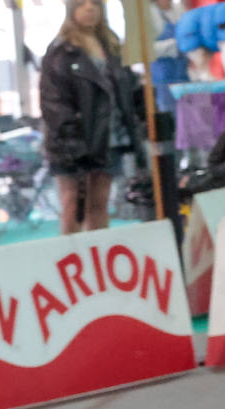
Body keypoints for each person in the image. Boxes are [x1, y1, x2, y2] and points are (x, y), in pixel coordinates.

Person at [40, 0, 139, 235]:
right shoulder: (61, 51)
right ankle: (69, 258)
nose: (89, 8)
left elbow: (127, 90)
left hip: (108, 139)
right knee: (73, 205)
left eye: (94, 2)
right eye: (82, 3)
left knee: (100, 203)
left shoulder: (112, 46)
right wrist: (72, 142)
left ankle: (97, 257)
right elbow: (53, 102)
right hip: (72, 141)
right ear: (71, 9)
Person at [148, 0, 187, 115]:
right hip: (163, 80)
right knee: (169, 119)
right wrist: (175, 45)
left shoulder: (180, 9)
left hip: (185, 76)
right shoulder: (148, 14)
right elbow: (147, 50)